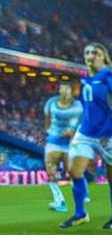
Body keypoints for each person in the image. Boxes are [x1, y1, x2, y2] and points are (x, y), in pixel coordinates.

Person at [60, 43, 112, 230]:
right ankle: (80, 214)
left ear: (103, 57)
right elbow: (86, 108)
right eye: (87, 52)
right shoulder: (84, 79)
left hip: (108, 134)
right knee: (74, 171)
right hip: (85, 133)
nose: (90, 55)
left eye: (95, 53)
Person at [43, 81, 82, 213]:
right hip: (53, 142)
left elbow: (80, 124)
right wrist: (50, 133)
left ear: (71, 91)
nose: (63, 91)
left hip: (68, 145)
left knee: (73, 174)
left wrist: (73, 133)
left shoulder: (77, 105)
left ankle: (81, 200)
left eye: (66, 89)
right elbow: (47, 120)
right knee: (50, 172)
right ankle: (60, 201)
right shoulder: (51, 103)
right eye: (62, 89)